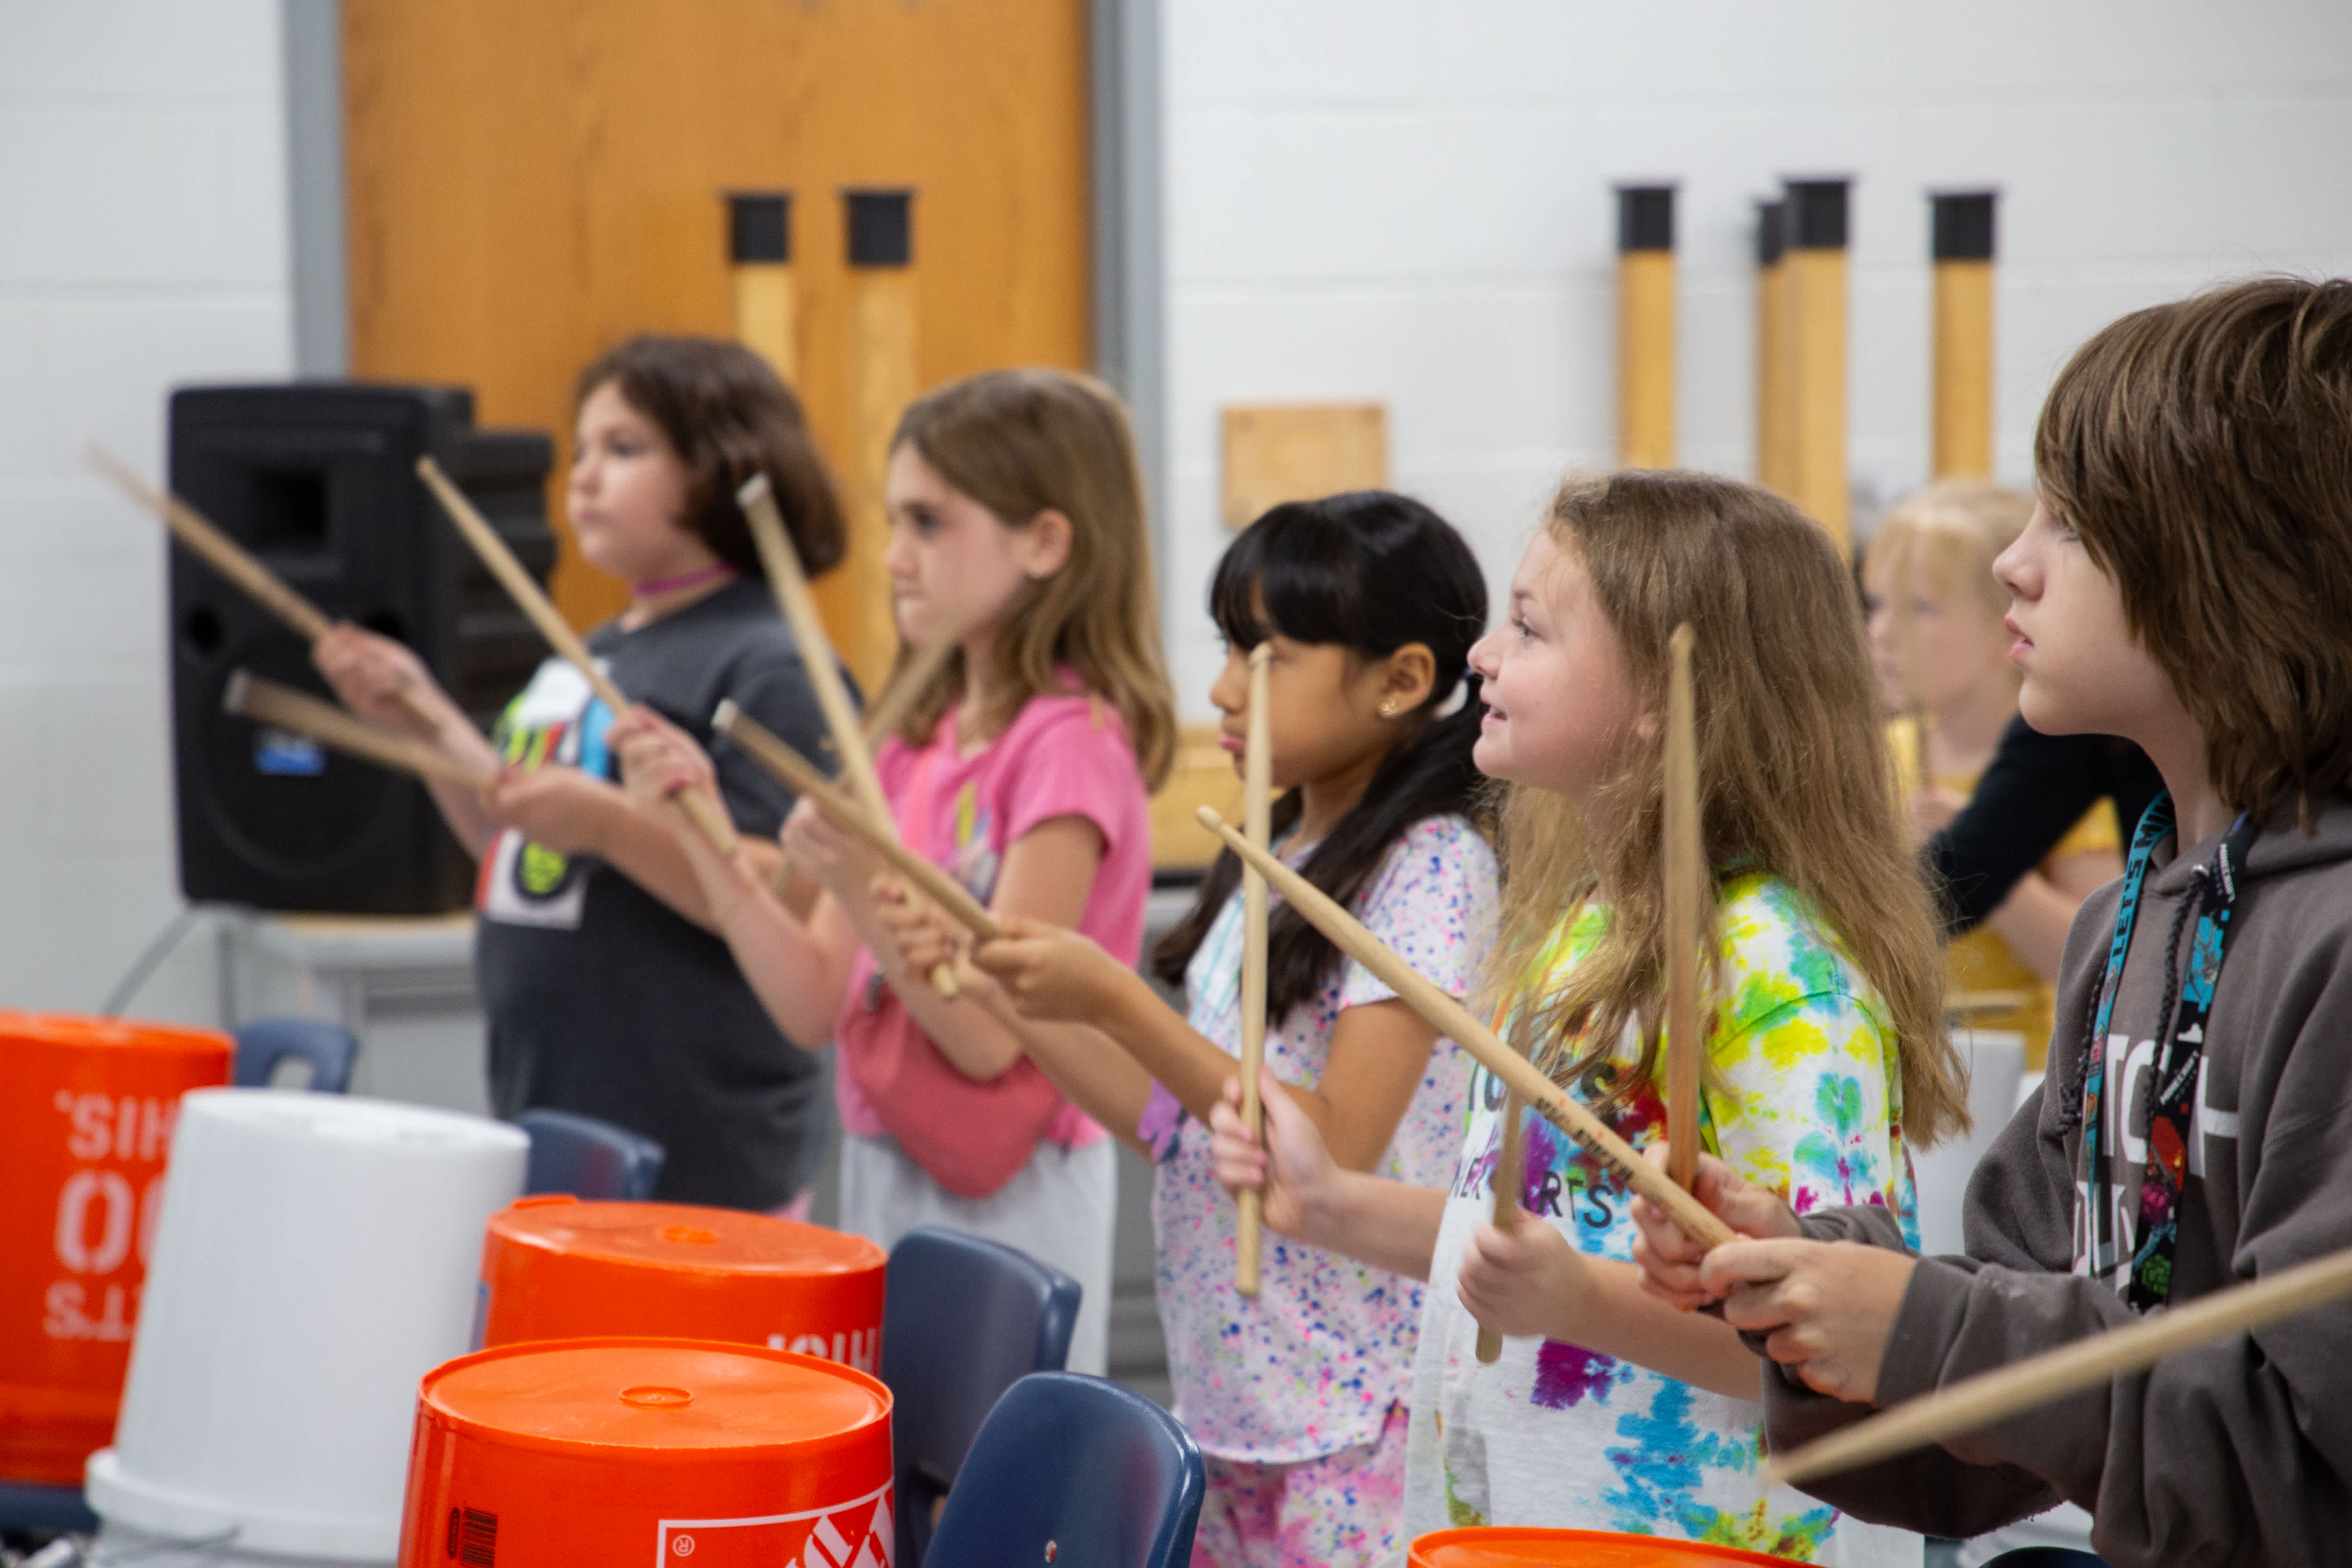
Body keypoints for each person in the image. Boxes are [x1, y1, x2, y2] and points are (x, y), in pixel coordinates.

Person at [1632, 277, 2352, 1568]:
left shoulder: (2335, 949)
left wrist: (1933, 1332)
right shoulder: (2125, 924)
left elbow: (2304, 1461)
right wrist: (1808, 1281)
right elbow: (2014, 1403)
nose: (2016, 562)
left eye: (2067, 525)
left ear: (2240, 569)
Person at [1212, 470, 1965, 1565]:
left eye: (1527, 626)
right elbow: (1519, 1239)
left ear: (1665, 693)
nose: (1480, 654)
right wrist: (1331, 1204)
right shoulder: (1587, 930)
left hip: (1696, 1536)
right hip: (1524, 1516)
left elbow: (1829, 1348)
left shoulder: (1779, 977)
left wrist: (1575, 1301)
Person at [887, 494, 1499, 1568]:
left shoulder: (1429, 862)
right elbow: (1167, 1116)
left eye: (1263, 653)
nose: (1219, 686)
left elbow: (1335, 1142)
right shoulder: (1277, 839)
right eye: (1226, 646)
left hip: (1358, 1408)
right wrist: (1006, 986)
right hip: (1232, 1396)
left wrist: (1119, 998)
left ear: (1400, 678)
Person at [615, 368, 1174, 1374]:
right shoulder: (906, 743)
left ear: (1045, 543)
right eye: (891, 522)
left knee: (998, 1504)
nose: (893, 558)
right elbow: (807, 1001)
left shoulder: (1071, 747)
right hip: (886, 1167)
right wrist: (697, 820)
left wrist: (867, 889)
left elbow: (981, 1037)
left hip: (1020, 1193)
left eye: (927, 522)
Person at [313, 333, 846, 1212]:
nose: (585, 478)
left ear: (722, 467)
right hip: (560, 1108)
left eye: (625, 450)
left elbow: (791, 895)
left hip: (698, 1146)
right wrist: (422, 716)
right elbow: (515, 837)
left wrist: (608, 823)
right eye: (582, 452)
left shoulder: (769, 665)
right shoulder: (593, 652)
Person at [1864, 479, 2123, 1062]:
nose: (1882, 632)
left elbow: (2096, 953)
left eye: (1918, 608)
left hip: (2017, 1073)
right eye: (1876, 604)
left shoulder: (2067, 769)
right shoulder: (1876, 760)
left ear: (2005, 621)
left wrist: (1981, 860)